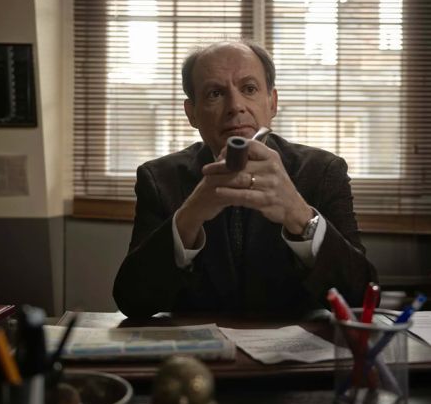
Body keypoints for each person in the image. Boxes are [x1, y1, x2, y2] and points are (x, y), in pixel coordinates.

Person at [113, 39, 378, 319]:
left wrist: (300, 216)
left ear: (272, 102)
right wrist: (189, 217)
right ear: (192, 113)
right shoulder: (158, 178)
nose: (236, 106)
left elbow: (361, 299)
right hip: (197, 347)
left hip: (295, 346)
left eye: (249, 89)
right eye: (215, 93)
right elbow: (133, 302)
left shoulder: (323, 171)